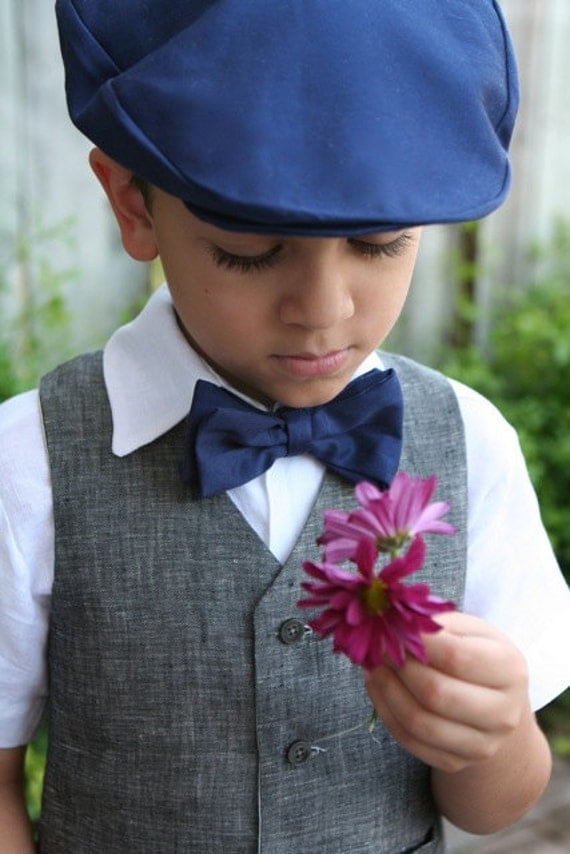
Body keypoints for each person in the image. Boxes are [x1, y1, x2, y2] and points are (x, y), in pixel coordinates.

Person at [1, 1, 569, 851]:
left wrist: (493, 735)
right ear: (133, 203)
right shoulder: (30, 464)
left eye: (380, 243)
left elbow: (494, 807)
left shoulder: (469, 443)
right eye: (249, 248)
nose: (323, 310)